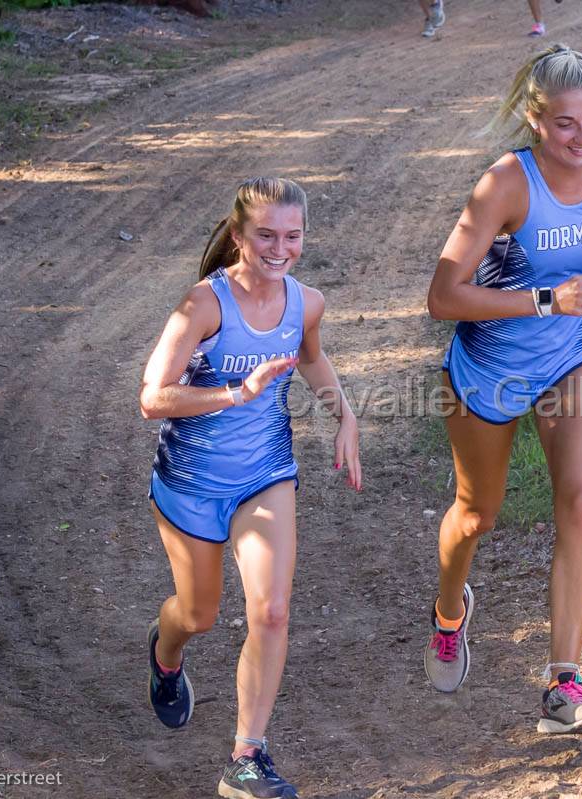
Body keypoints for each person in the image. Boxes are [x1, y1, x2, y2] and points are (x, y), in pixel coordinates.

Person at [423, 44, 582, 734]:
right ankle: (447, 611)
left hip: (572, 359)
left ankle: (564, 683)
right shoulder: (505, 185)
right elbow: (442, 296)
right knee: (477, 513)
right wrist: (546, 298)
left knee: (581, 502)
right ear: (534, 119)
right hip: (488, 368)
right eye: (565, 125)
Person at [140, 176, 361, 798]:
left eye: (292, 236)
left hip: (265, 475)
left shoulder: (306, 302)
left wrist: (344, 413)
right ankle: (166, 652)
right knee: (199, 613)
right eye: (265, 235)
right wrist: (236, 393)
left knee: (271, 610)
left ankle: (247, 757)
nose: (279, 248)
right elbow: (152, 398)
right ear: (239, 236)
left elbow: (311, 357)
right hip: (190, 483)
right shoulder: (202, 306)